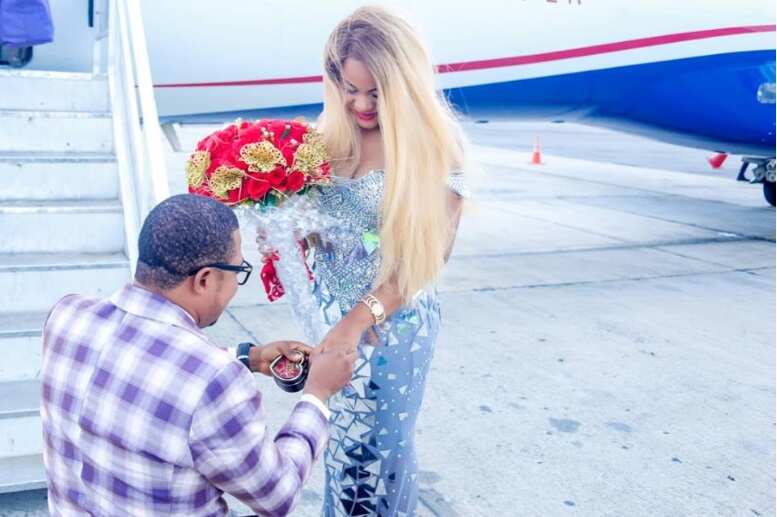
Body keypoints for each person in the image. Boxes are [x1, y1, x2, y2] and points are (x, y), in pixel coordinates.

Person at [40, 194, 355, 516]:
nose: (236, 285)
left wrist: (250, 357)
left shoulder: (67, 315)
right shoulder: (215, 379)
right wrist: (318, 393)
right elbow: (277, 495)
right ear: (205, 279)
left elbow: (142, 363)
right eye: (238, 271)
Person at [311, 6, 470, 515]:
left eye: (375, 93)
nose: (359, 103)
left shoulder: (437, 150)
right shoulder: (328, 134)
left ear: (404, 84)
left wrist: (356, 322)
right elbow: (320, 231)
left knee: (381, 452)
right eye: (349, 88)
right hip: (328, 316)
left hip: (391, 326)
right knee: (337, 444)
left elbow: (423, 263)